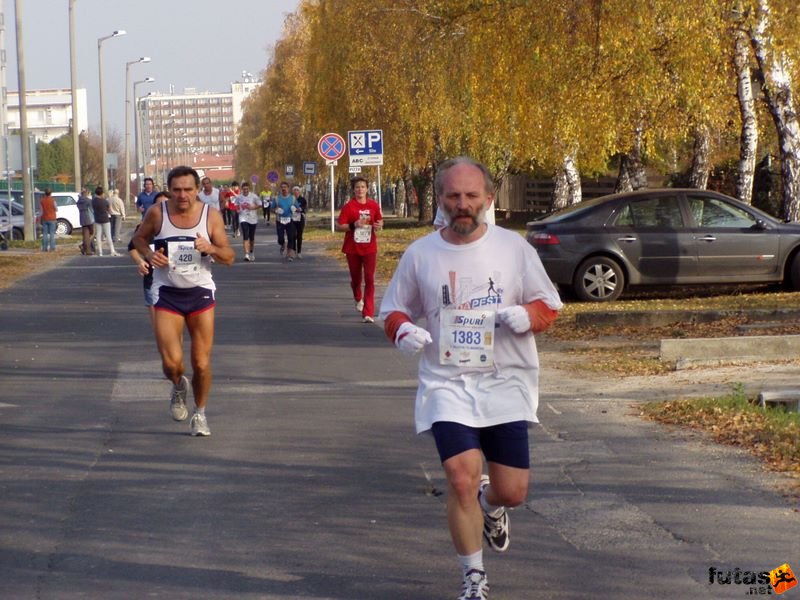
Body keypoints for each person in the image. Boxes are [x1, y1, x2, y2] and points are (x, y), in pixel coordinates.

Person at [378, 157, 562, 600]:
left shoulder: (514, 249)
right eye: (454, 196)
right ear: (441, 199)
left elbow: (549, 305)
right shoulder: (421, 253)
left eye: (471, 196)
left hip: (505, 381)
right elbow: (393, 309)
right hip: (448, 382)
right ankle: (473, 578)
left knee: (512, 491)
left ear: (489, 199)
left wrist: (527, 316)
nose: (463, 205)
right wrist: (403, 329)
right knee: (461, 477)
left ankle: (492, 506)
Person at [132, 165, 234, 437]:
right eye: (176, 190)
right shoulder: (158, 213)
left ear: (197, 190)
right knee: (171, 364)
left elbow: (229, 256)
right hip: (167, 294)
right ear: (170, 190)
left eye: (188, 189)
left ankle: (200, 414)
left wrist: (210, 248)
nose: (182, 195)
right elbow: (139, 239)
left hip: (200, 294)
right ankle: (178, 385)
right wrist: (149, 255)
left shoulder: (210, 216)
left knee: (201, 363)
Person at [336, 176, 383, 323]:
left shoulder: (373, 205)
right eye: (357, 187)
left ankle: (368, 312)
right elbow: (339, 226)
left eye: (363, 187)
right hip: (353, 248)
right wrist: (353, 225)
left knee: (370, 279)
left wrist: (378, 225)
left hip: (370, 247)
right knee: (356, 278)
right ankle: (358, 296)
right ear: (353, 190)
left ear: (367, 189)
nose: (360, 189)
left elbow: (380, 221)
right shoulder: (349, 207)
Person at [128, 191, 170, 327]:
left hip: (178, 283)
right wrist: (140, 261)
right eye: (158, 205)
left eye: (165, 204)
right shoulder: (144, 229)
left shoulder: (183, 227)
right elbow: (132, 247)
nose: (162, 208)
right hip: (152, 280)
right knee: (160, 328)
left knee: (173, 330)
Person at [234, 181, 260, 261]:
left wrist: (253, 207)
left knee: (251, 237)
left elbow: (259, 204)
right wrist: (238, 210)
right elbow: (236, 205)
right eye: (244, 189)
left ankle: (251, 251)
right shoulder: (239, 197)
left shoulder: (254, 196)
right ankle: (246, 254)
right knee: (245, 234)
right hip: (243, 217)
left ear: (249, 189)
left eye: (247, 189)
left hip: (253, 218)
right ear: (242, 189)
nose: (245, 191)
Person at [271, 181, 297, 260]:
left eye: (285, 187)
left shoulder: (292, 198)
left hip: (290, 219)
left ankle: (290, 254)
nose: (283, 189)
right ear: (280, 189)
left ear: (288, 189)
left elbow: (298, 208)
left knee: (291, 237)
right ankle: (282, 244)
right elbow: (271, 208)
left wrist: (295, 209)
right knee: (280, 238)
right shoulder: (276, 198)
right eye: (282, 187)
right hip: (280, 220)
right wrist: (276, 210)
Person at [92, 186, 119, 257]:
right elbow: (109, 210)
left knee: (98, 235)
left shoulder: (93, 201)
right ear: (102, 193)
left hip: (97, 219)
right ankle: (112, 250)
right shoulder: (105, 201)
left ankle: (100, 252)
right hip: (105, 219)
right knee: (108, 235)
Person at [77, 188, 95, 255]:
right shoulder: (89, 201)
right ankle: (84, 246)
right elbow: (92, 210)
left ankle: (87, 250)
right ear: (86, 194)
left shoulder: (79, 201)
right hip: (89, 218)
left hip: (82, 218)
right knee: (93, 233)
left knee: (85, 234)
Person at [291, 185, 307, 258]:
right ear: (293, 191)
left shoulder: (303, 199)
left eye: (297, 190)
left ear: (299, 191)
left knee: (299, 236)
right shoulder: (290, 199)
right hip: (292, 219)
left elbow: (304, 208)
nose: (296, 191)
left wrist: (300, 209)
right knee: (293, 235)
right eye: (295, 190)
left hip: (300, 219)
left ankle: (299, 252)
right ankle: (293, 251)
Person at [39, 188, 57, 252]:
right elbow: (56, 209)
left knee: (45, 234)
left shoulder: (42, 201)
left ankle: (44, 248)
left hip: (44, 218)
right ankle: (52, 248)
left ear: (45, 193)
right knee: (52, 234)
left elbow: (41, 211)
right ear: (51, 193)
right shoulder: (52, 200)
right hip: (52, 218)